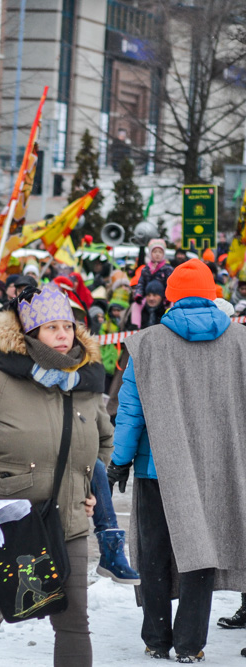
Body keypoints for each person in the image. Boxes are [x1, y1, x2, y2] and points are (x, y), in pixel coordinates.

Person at [0, 284, 113, 666]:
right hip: (3, 523)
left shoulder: (86, 386)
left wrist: (92, 483)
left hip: (69, 521)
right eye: (52, 328)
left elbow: (104, 440)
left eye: (68, 326)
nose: (63, 334)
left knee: (73, 621)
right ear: (30, 333)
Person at [110, 259, 246, 663]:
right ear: (211, 293)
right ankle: (190, 644)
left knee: (153, 551)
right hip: (220, 468)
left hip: (157, 468)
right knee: (200, 551)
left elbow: (130, 410)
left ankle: (156, 638)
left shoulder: (147, 343)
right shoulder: (240, 342)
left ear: (170, 296)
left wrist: (119, 462)